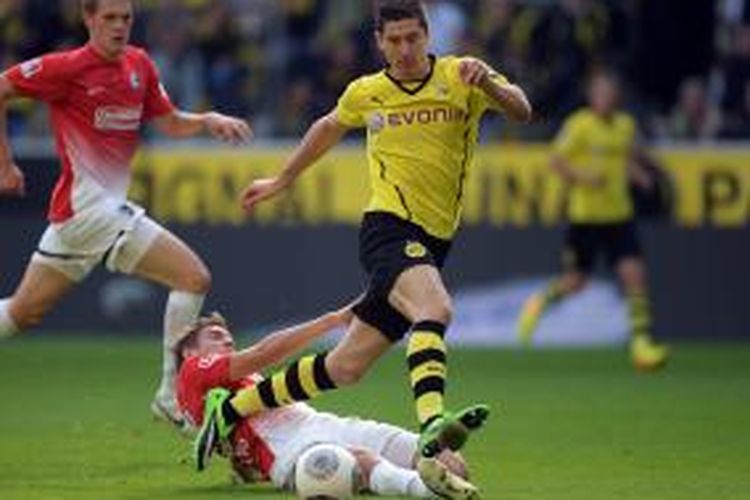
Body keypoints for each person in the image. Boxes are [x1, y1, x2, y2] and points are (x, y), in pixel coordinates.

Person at [196, 0, 532, 468]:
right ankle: (432, 422)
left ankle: (230, 409)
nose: (404, 49)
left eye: (412, 38)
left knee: (345, 366)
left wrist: (491, 80)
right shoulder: (367, 91)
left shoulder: (461, 76)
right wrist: (281, 181)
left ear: (427, 33)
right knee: (435, 308)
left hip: (434, 241)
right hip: (388, 228)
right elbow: (327, 127)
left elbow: (522, 110)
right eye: (393, 41)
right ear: (379, 41)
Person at [0, 0, 252, 426]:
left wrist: (208, 119)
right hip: (91, 210)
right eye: (109, 18)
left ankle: (171, 394)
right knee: (193, 278)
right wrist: (4, 163)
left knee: (22, 313)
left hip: (78, 218)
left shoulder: (139, 64)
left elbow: (169, 122)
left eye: (126, 18)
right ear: (88, 18)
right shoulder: (67, 68)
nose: (119, 26)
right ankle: (172, 395)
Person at [178, 310, 479, 499]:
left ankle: (430, 482)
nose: (228, 341)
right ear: (190, 351)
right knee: (355, 461)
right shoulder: (192, 370)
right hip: (292, 450)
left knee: (450, 461)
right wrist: (329, 321)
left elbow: (233, 442)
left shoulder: (230, 385)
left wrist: (242, 465)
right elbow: (264, 352)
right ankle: (422, 490)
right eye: (216, 336)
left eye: (228, 336)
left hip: (323, 424)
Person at [516, 70, 670, 371]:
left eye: (609, 92)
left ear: (617, 96)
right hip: (586, 218)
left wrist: (639, 175)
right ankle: (540, 301)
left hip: (619, 216)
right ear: (592, 96)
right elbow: (556, 160)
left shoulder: (625, 126)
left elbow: (627, 157)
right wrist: (584, 177)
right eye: (600, 92)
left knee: (634, 275)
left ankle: (641, 345)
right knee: (576, 283)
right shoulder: (580, 125)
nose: (605, 98)